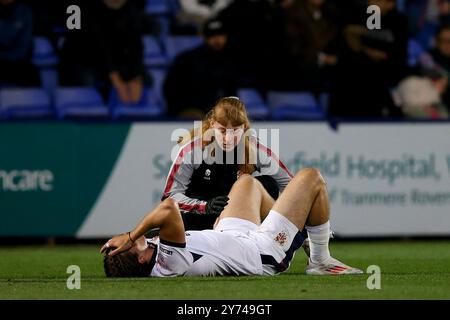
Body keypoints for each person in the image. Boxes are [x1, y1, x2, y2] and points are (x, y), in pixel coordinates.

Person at [101, 168, 363, 277]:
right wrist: (131, 233)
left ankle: (296, 230)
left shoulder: (156, 256)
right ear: (143, 260)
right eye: (132, 247)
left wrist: (133, 238)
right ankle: (319, 259)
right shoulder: (167, 263)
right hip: (260, 252)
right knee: (311, 177)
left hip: (230, 235)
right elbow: (169, 207)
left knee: (247, 182)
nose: (131, 242)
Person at [161, 96, 293, 231]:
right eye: (222, 130)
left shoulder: (254, 149)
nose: (228, 139)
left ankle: (269, 237)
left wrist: (286, 222)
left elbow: (290, 184)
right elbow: (169, 196)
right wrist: (204, 206)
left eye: (235, 130)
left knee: (267, 184)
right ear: (212, 124)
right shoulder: (194, 150)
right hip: (198, 221)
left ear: (244, 127)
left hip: (233, 221)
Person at [163, 18, 239, 118]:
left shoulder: (230, 61)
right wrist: (181, 109)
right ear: (204, 37)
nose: (217, 40)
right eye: (212, 36)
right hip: (191, 111)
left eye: (220, 35)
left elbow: (231, 92)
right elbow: (170, 88)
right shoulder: (186, 60)